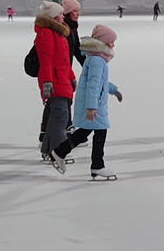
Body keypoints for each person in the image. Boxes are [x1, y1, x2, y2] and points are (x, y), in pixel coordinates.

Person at [47, 24, 123, 179]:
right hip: (94, 104)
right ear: (102, 43)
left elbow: (100, 83)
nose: (113, 45)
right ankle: (97, 166)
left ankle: (60, 152)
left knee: (85, 132)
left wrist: (113, 89)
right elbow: (93, 85)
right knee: (99, 132)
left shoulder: (97, 59)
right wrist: (91, 107)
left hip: (95, 103)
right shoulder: (97, 60)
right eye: (110, 42)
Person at [34, 0, 76, 168]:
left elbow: (64, 61)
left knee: (55, 118)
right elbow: (46, 60)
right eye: (59, 13)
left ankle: (48, 150)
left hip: (62, 80)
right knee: (60, 117)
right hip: (55, 82)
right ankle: (58, 151)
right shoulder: (46, 34)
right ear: (52, 16)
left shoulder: (59, 33)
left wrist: (71, 76)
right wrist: (47, 82)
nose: (62, 16)